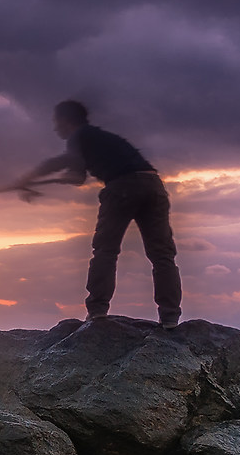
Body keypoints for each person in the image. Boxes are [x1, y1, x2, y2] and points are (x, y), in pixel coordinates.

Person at [20, 99, 181, 326]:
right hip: (153, 185)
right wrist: (42, 181)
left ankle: (97, 312)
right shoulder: (100, 138)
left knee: (105, 251)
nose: (55, 128)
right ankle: (170, 318)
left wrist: (29, 178)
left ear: (67, 121)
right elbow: (77, 176)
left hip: (122, 187)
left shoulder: (79, 137)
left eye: (56, 122)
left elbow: (67, 164)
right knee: (162, 255)